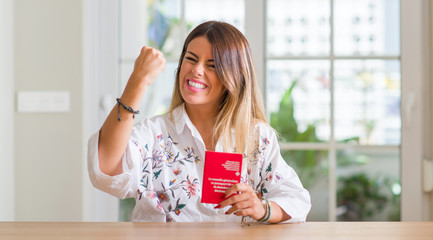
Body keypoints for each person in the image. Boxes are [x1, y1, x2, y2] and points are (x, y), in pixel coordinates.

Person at [88, 21, 311, 223]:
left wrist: (263, 209)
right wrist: (138, 81)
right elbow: (105, 172)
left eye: (212, 65)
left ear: (233, 77)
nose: (196, 70)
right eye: (191, 59)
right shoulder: (155, 132)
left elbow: (297, 200)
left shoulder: (257, 136)